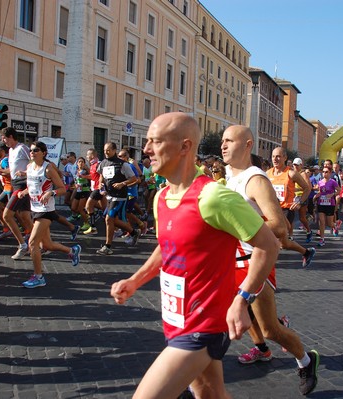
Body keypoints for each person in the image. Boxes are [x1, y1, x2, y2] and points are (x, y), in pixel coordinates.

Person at [111, 112, 280, 398]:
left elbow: (269, 245)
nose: (147, 149)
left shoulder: (214, 197)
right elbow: (167, 247)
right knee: (210, 395)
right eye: (147, 142)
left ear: (185, 147)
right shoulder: (161, 196)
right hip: (175, 319)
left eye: (156, 141)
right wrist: (135, 280)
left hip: (204, 326)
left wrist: (242, 299)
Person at [222, 125, 320, 396]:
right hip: (232, 260)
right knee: (241, 315)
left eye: (230, 140)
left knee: (270, 329)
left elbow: (280, 227)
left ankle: (306, 361)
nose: (223, 145)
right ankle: (262, 352)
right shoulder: (230, 178)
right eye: (222, 140)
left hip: (255, 260)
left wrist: (240, 227)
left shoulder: (256, 180)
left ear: (248, 145)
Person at [17, 141, 81, 288]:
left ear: (44, 153)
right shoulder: (29, 167)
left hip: (46, 211)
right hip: (35, 209)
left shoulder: (48, 168)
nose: (32, 152)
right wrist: (23, 192)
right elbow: (31, 187)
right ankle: (72, 250)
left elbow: (62, 188)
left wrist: (51, 192)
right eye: (31, 150)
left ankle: (38, 277)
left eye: (36, 150)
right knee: (47, 245)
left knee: (32, 243)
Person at [266, 150, 316, 268]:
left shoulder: (291, 173)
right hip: (271, 209)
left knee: (271, 237)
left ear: (284, 158)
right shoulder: (268, 173)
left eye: (278, 156)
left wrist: (299, 201)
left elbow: (307, 188)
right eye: (273, 156)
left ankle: (266, 266)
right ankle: (307, 252)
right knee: (283, 243)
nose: (275, 159)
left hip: (286, 210)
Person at [95, 142, 139, 255]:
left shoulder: (123, 164)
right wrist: (100, 185)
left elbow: (134, 178)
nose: (106, 152)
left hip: (119, 197)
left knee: (109, 219)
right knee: (112, 220)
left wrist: (122, 183)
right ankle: (134, 232)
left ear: (114, 150)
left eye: (108, 150)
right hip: (109, 195)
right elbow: (101, 178)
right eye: (104, 150)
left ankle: (107, 246)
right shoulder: (103, 163)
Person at [0, 127, 33, 260]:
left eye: (4, 138)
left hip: (23, 184)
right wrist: (2, 171)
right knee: (24, 216)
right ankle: (40, 243)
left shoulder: (22, 148)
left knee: (7, 215)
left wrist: (26, 172)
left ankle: (22, 245)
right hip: (15, 184)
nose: (3, 141)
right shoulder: (11, 151)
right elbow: (14, 170)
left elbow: (34, 161)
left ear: (11, 136)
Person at [314, 166, 340, 246]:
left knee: (329, 224)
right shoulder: (320, 182)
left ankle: (335, 225)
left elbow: (339, 190)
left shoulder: (333, 182)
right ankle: (322, 239)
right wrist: (317, 196)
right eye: (323, 172)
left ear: (330, 173)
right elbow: (319, 191)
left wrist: (332, 194)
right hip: (321, 203)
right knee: (322, 222)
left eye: (326, 172)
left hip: (330, 204)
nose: (324, 173)